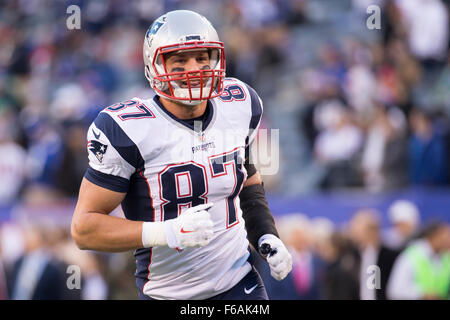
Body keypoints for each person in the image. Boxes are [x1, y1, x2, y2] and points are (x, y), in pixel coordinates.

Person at [71, 10, 292, 300]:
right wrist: (164, 233)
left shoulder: (239, 103)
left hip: (240, 285)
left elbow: (248, 179)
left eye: (202, 58)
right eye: (180, 60)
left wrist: (265, 232)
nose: (195, 68)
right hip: (167, 293)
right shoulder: (127, 128)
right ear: (155, 65)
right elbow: (84, 229)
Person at [387, 221, 450, 300]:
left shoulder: (446, 256)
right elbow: (395, 290)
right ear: (434, 236)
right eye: (446, 236)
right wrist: (423, 294)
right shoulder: (411, 255)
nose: (448, 240)